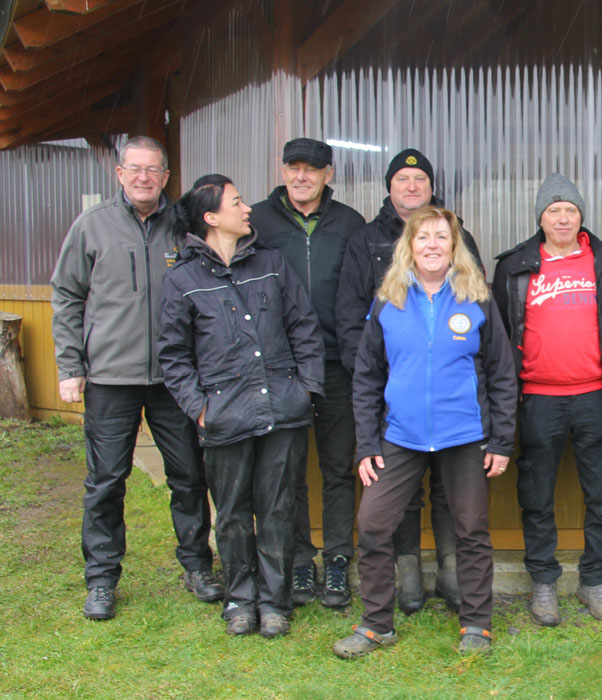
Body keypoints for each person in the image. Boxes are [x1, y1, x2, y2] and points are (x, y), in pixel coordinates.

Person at [332, 206, 517, 658]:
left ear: (454, 246)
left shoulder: (477, 297)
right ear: (408, 246)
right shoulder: (388, 299)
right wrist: (367, 444)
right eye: (423, 237)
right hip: (400, 436)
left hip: (464, 435)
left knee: (471, 529)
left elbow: (502, 374)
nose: (432, 245)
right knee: (373, 525)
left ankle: (476, 622)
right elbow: (367, 376)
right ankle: (377, 624)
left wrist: (501, 439)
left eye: (441, 237)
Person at [50, 136, 221, 621]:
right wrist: (70, 366)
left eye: (154, 170)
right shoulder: (92, 226)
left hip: (174, 380)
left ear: (166, 177)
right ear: (119, 174)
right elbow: (65, 296)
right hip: (110, 377)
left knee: (189, 475)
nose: (144, 177)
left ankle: (197, 566)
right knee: (105, 481)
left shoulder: (184, 226)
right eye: (135, 169)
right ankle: (102, 578)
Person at [158, 175, 326, 637]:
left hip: (283, 409)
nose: (246, 208)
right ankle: (239, 599)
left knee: (277, 508)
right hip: (224, 414)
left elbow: (304, 327)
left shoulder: (271, 263)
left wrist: (305, 389)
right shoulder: (182, 279)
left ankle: (274, 601)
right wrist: (199, 407)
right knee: (231, 513)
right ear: (212, 217)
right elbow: (173, 356)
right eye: (236, 202)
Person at [335, 148, 482, 613]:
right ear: (389, 187)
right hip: (391, 394)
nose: (412, 186)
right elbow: (349, 318)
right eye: (403, 179)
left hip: (453, 406)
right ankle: (408, 569)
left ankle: (451, 570)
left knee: (449, 492)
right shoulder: (363, 241)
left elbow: (481, 326)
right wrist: (375, 385)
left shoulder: (462, 241)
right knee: (397, 497)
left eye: (420, 179)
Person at [492, 173, 602, 627]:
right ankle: (544, 582)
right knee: (536, 495)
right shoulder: (514, 265)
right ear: (541, 217)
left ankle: (594, 580)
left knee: (601, 493)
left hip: (596, 396)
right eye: (554, 210)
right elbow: (498, 338)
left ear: (581, 216)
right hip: (537, 399)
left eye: (570, 210)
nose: (562, 217)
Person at [250, 137, 366, 608]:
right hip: (282, 366)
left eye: (312, 169)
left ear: (328, 175)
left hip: (337, 363)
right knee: (289, 469)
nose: (302, 176)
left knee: (339, 467)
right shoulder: (257, 220)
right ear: (283, 171)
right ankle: (299, 559)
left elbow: (361, 291)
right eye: (294, 167)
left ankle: (338, 560)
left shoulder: (349, 223)